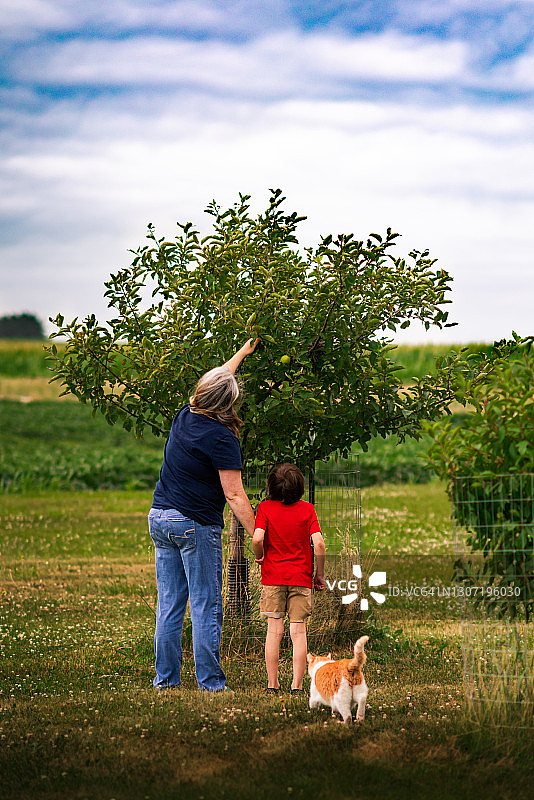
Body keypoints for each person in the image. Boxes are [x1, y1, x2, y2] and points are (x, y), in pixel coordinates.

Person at [148, 339, 258, 691]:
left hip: (160, 517)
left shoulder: (185, 415)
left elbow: (218, 379)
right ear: (226, 403)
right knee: (206, 605)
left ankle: (166, 681)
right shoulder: (222, 437)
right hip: (193, 524)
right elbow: (234, 494)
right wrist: (259, 534)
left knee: (169, 604)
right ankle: (211, 683)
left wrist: (242, 353)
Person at [252, 463, 327, 693]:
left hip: (273, 578)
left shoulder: (265, 508)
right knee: (298, 631)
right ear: (300, 487)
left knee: (274, 631)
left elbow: (257, 538)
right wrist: (319, 574)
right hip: (301, 579)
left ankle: (272, 684)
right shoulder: (308, 510)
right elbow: (319, 544)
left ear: (272, 486)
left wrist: (259, 555)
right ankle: (297, 685)